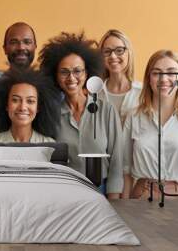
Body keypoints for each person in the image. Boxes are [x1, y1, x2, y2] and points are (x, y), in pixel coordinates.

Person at [39, 32, 123, 199]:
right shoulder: (51, 114)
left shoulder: (106, 111)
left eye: (77, 71)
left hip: (101, 191)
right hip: (63, 193)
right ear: (55, 76)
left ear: (87, 74)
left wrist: (114, 202)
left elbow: (117, 162)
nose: (71, 78)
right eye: (64, 72)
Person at [123, 50, 178, 199]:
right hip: (143, 200)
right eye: (156, 72)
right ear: (149, 78)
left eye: (171, 73)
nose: (163, 79)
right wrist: (123, 211)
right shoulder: (133, 117)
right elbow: (125, 171)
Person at [0, 68, 59, 142]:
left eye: (30, 101)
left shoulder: (50, 145)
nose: (22, 107)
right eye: (15, 100)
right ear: (6, 105)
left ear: (38, 107)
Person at [98, 29, 142, 124]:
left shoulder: (143, 93)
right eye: (107, 51)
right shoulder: (94, 93)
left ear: (128, 53)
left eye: (119, 50)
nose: (113, 56)